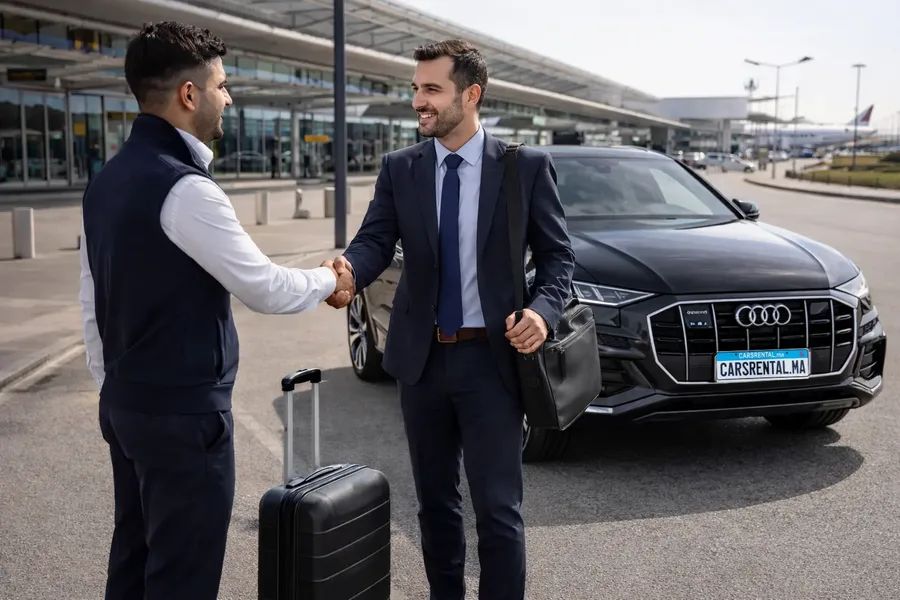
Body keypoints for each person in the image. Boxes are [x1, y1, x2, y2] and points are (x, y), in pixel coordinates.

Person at [78, 21, 353, 600]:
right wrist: (329, 278)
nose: (228, 99)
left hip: (126, 406)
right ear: (188, 94)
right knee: (183, 573)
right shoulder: (185, 189)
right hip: (183, 418)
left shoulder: (104, 182)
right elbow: (265, 287)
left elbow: (90, 302)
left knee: (133, 557)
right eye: (222, 86)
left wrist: (114, 389)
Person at [323, 40, 575, 600]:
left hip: (492, 363)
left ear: (472, 94)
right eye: (416, 89)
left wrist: (541, 310)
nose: (419, 101)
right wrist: (345, 275)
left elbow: (559, 257)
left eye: (432, 89)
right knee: (434, 506)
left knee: (498, 510)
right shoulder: (401, 169)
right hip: (422, 362)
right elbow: (373, 243)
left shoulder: (523, 167)